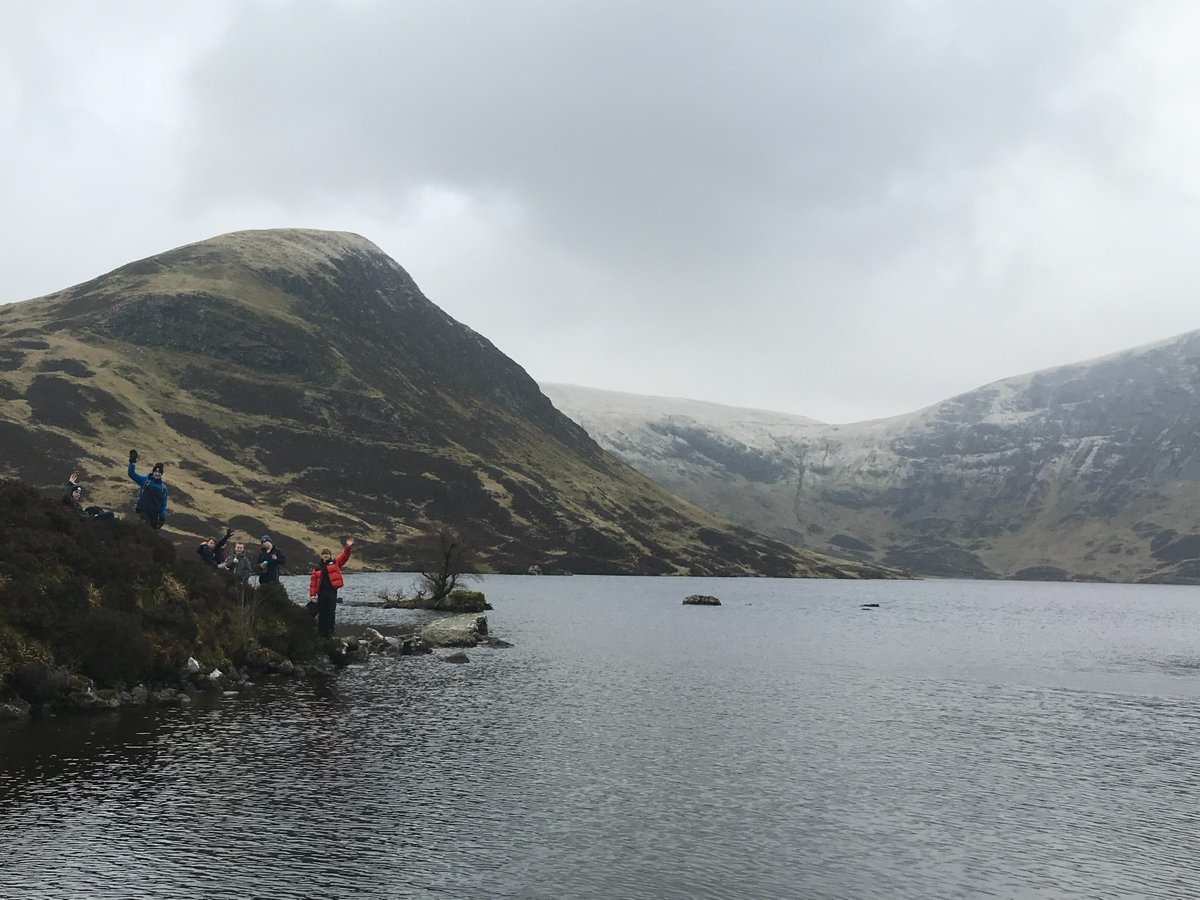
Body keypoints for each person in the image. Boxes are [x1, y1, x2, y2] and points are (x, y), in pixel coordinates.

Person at [309, 538, 354, 638]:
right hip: (321, 593)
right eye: (324, 554)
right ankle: (322, 634)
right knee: (322, 614)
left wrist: (348, 547)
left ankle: (330, 633)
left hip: (332, 591)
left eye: (327, 554)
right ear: (321, 556)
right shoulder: (317, 568)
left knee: (330, 613)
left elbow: (345, 557)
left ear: (330, 555)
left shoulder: (335, 563)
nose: (325, 555)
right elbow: (313, 583)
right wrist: (312, 595)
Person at [127, 450, 168, 529]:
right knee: (145, 528)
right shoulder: (145, 481)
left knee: (152, 532)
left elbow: (163, 504)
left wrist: (162, 517)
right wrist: (132, 462)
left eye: (159, 472)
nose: (157, 473)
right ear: (153, 472)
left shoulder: (163, 488)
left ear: (162, 474)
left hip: (155, 514)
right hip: (143, 510)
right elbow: (131, 474)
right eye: (155, 471)